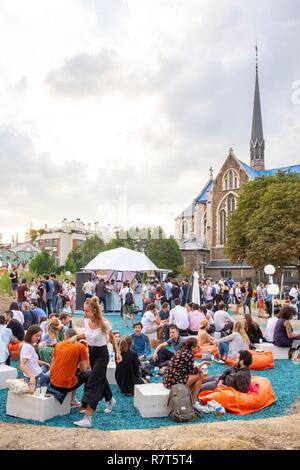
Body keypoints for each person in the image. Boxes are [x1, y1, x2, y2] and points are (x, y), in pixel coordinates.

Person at [73, 297, 121, 428]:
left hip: (102, 355)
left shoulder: (103, 323)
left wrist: (118, 352)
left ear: (94, 310)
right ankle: (110, 399)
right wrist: (75, 337)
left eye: (87, 311)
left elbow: (112, 338)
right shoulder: (86, 320)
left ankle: (88, 418)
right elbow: (87, 335)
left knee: (93, 382)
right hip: (92, 354)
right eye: (84, 310)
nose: (84, 313)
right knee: (100, 378)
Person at [163, 337, 210, 406]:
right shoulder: (189, 355)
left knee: (197, 378)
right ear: (192, 348)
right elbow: (192, 371)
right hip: (173, 382)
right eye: (197, 346)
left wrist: (197, 369)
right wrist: (202, 364)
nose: (199, 348)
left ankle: (191, 398)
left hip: (168, 379)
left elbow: (188, 370)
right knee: (200, 376)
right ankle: (194, 401)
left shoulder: (181, 351)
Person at [49, 328, 91, 406]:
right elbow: (83, 369)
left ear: (65, 336)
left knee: (75, 373)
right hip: (66, 385)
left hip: (53, 383)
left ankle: (73, 400)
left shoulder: (58, 345)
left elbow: (53, 363)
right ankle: (86, 404)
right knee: (90, 374)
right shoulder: (80, 347)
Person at [20, 325, 50, 391]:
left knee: (48, 367)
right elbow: (22, 365)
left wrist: (44, 363)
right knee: (54, 370)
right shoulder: (28, 347)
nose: (38, 338)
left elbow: (33, 360)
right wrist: (31, 377)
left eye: (39, 336)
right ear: (30, 335)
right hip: (36, 377)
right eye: (37, 336)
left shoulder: (29, 345)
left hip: (37, 374)